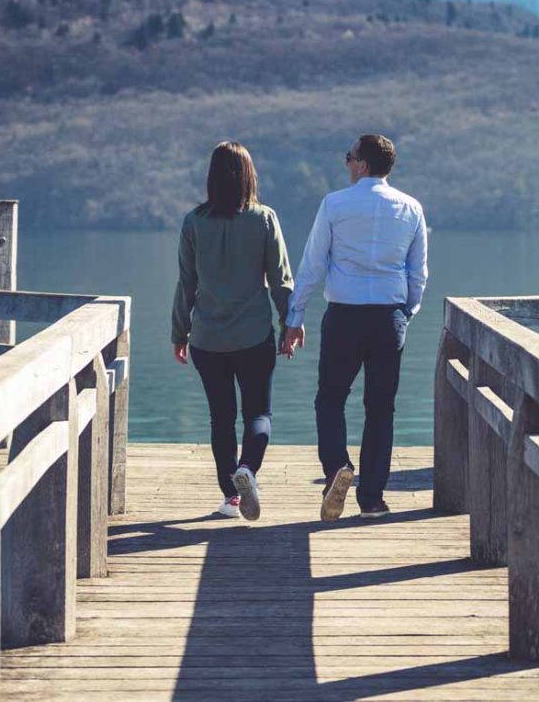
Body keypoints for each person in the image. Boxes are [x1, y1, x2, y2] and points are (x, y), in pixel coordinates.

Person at [284, 134, 427, 521]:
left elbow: (313, 264)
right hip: (388, 317)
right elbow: (418, 273)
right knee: (381, 409)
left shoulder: (334, 204)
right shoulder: (411, 208)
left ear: (362, 164)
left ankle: (336, 470)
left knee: (330, 399)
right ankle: (372, 500)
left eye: (349, 157)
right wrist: (406, 313)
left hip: (345, 314)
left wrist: (294, 318)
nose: (346, 164)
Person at [172, 141, 294, 521]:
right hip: (254, 335)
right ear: (248, 176)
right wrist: (289, 323)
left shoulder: (193, 221)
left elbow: (186, 283)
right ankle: (247, 470)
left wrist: (180, 333)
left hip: (207, 338)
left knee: (220, 418)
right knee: (258, 413)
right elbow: (281, 281)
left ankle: (231, 498)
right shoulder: (264, 219)